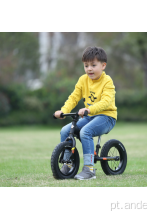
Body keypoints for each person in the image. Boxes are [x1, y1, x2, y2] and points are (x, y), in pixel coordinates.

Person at [54, 46, 117, 180]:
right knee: (66, 130)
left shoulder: (107, 81)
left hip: (107, 117)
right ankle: (68, 164)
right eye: (86, 65)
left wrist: (89, 109)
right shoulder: (83, 80)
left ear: (103, 65)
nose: (89, 69)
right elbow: (74, 97)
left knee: (85, 132)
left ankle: (89, 169)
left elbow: (106, 101)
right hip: (90, 116)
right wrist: (63, 111)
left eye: (93, 65)